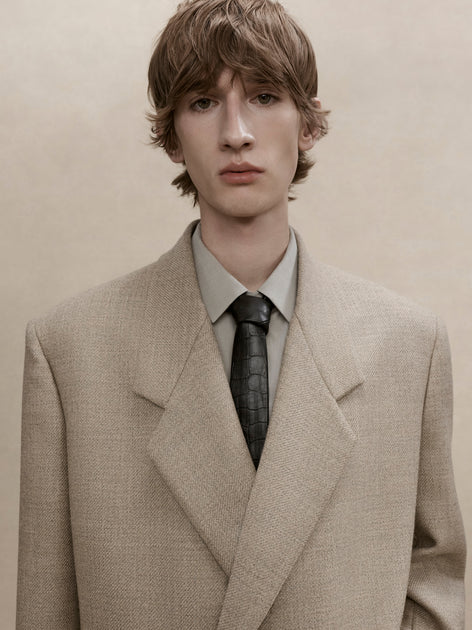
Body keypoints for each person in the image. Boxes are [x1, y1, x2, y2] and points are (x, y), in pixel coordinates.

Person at [16, 0, 466, 628]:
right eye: (203, 102)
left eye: (264, 96)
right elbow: (47, 604)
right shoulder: (70, 352)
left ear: (308, 125)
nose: (236, 132)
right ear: (172, 136)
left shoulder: (408, 347)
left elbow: (434, 579)